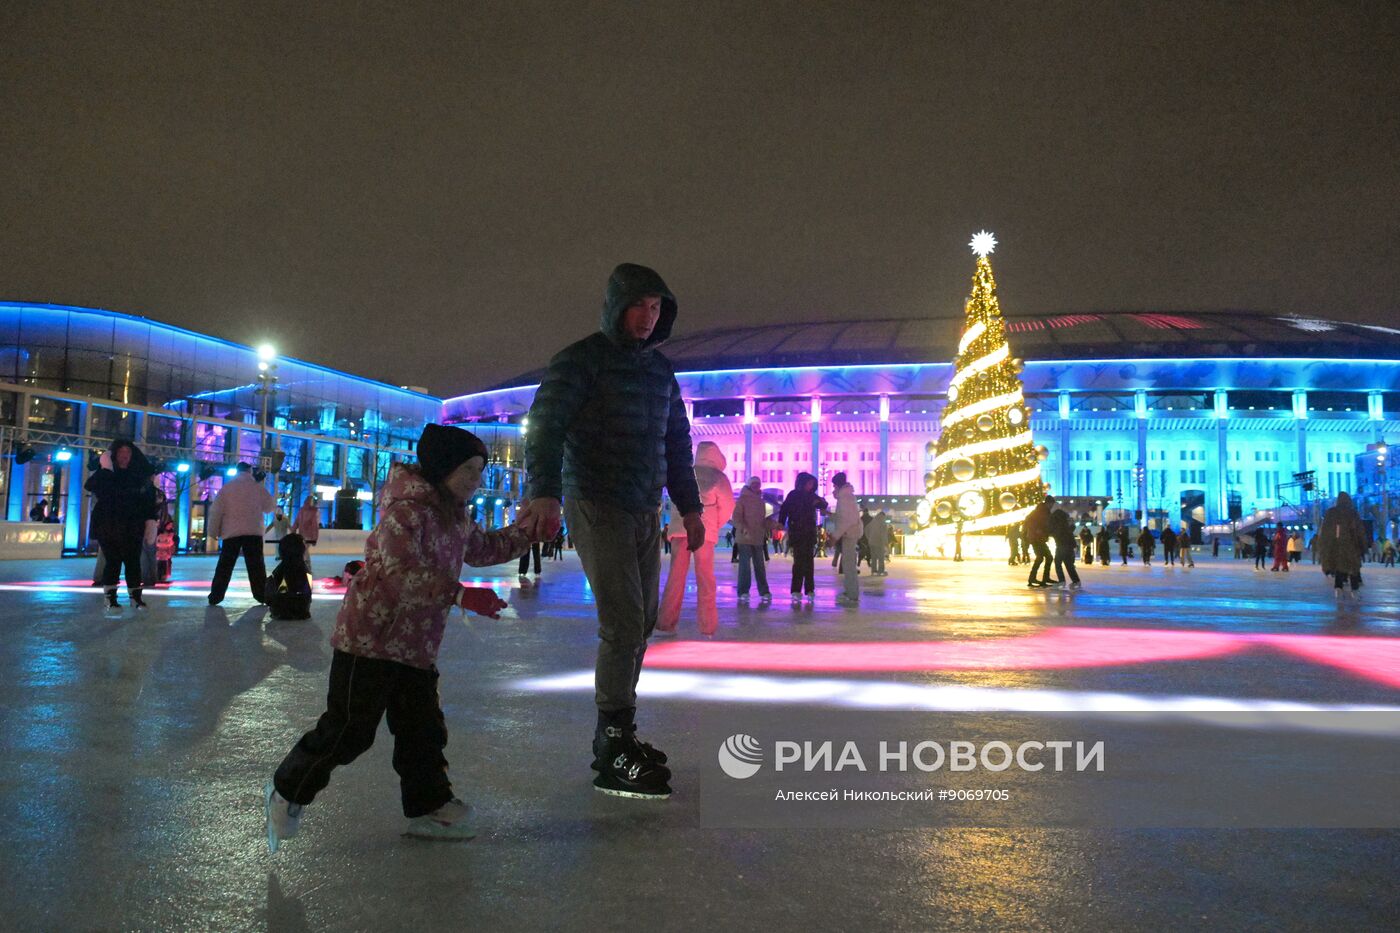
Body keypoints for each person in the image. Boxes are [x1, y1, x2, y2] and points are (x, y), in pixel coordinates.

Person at [266, 424, 526, 851]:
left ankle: (430, 806)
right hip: (371, 637)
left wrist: (530, 531)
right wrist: (460, 594)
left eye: (480, 470)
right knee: (350, 730)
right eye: (469, 469)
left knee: (422, 731)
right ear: (443, 468)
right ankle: (287, 790)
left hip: (417, 643)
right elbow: (398, 572)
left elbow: (485, 548)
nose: (476, 479)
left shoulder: (455, 514)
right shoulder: (406, 511)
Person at [516, 263, 701, 801]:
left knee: (641, 620)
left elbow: (677, 442)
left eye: (656, 307)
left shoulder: (660, 372)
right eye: (638, 305)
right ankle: (612, 741)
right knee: (622, 620)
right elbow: (545, 427)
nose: (648, 317)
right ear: (616, 306)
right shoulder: (580, 360)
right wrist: (544, 492)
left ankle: (619, 731)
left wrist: (689, 507)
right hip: (596, 500)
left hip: (644, 506)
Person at [657, 442, 734, 635]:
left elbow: (675, 500)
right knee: (705, 577)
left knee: (675, 577)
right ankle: (707, 625)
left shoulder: (687, 473)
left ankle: (665, 622)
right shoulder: (718, 477)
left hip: (679, 528)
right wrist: (714, 525)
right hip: (704, 533)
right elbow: (727, 507)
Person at [85, 439, 159, 613]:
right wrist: (106, 469)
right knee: (113, 561)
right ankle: (110, 598)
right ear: (114, 455)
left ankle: (135, 598)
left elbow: (149, 500)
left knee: (133, 561)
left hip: (132, 526)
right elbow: (91, 486)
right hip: (109, 525)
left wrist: (150, 520)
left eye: (128, 452)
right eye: (121, 452)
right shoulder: (107, 473)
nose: (124, 456)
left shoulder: (139, 476)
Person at [207, 463, 276, 606]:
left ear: (236, 471)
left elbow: (216, 512)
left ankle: (216, 596)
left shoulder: (227, 488)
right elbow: (269, 507)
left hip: (231, 533)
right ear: (250, 471)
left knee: (225, 566)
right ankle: (261, 595)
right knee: (256, 566)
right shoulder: (257, 488)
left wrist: (213, 532)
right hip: (253, 532)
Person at [778, 472, 828, 602]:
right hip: (797, 532)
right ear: (803, 483)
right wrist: (781, 523)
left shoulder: (812, 496)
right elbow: (784, 509)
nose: (811, 486)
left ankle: (810, 589)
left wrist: (820, 501)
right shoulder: (793, 495)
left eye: (812, 484)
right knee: (799, 562)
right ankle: (796, 590)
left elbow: (823, 504)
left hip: (809, 532)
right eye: (809, 483)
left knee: (809, 562)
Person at [1318, 491, 1368, 600]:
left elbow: (1325, 532)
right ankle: (1354, 590)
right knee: (1353, 568)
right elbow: (1360, 531)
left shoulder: (1330, 513)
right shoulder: (1352, 513)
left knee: (1339, 567)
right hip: (1351, 546)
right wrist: (1363, 547)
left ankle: (1338, 588)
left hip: (1336, 547)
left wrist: (1325, 548)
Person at [732, 476, 772, 602]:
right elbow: (736, 517)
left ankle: (764, 591)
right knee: (745, 566)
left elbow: (762, 520)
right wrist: (743, 528)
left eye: (758, 484)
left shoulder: (761, 501)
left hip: (757, 537)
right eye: (754, 484)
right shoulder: (742, 500)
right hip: (745, 537)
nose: (756, 486)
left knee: (760, 565)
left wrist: (773, 524)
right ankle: (743, 591)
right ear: (749, 485)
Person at [265, 533, 314, 621]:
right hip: (302, 612)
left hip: (280, 612)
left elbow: (271, 596)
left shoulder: (280, 571)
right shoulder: (305, 571)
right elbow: (307, 596)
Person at [831, 472, 863, 605]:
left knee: (849, 565)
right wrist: (830, 515)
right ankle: (850, 591)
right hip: (850, 533)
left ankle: (852, 593)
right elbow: (843, 517)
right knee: (848, 564)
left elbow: (846, 520)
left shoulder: (845, 498)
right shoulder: (847, 496)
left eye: (834, 486)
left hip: (850, 533)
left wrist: (835, 536)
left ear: (838, 485)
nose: (833, 489)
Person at [1023, 497, 1053, 587]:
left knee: (1047, 557)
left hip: (1040, 538)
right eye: (1051, 504)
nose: (1052, 506)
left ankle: (1042, 578)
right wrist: (1036, 530)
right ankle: (1034, 578)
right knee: (1042, 557)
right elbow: (1029, 521)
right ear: (1047, 503)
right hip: (1036, 538)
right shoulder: (1039, 511)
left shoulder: (1045, 511)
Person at [1050, 503, 1081, 588]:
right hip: (1069, 545)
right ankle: (1076, 581)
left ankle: (1062, 581)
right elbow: (1070, 530)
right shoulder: (1065, 523)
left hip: (1062, 545)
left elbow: (1056, 533)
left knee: (1058, 562)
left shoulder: (1058, 523)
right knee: (1068, 563)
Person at [155, 507, 177, 583]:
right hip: (160, 552)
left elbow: (173, 542)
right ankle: (159, 575)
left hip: (166, 552)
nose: (170, 526)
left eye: (171, 525)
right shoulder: (159, 533)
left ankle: (164, 575)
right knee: (160, 563)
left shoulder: (171, 533)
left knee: (166, 563)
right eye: (169, 524)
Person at [867, 510, 890, 576]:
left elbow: (866, 529)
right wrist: (886, 543)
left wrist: (869, 538)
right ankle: (881, 571)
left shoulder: (872, 522)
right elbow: (883, 535)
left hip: (871, 542)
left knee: (873, 557)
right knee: (881, 557)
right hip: (879, 542)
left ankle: (874, 571)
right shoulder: (882, 523)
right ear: (883, 516)